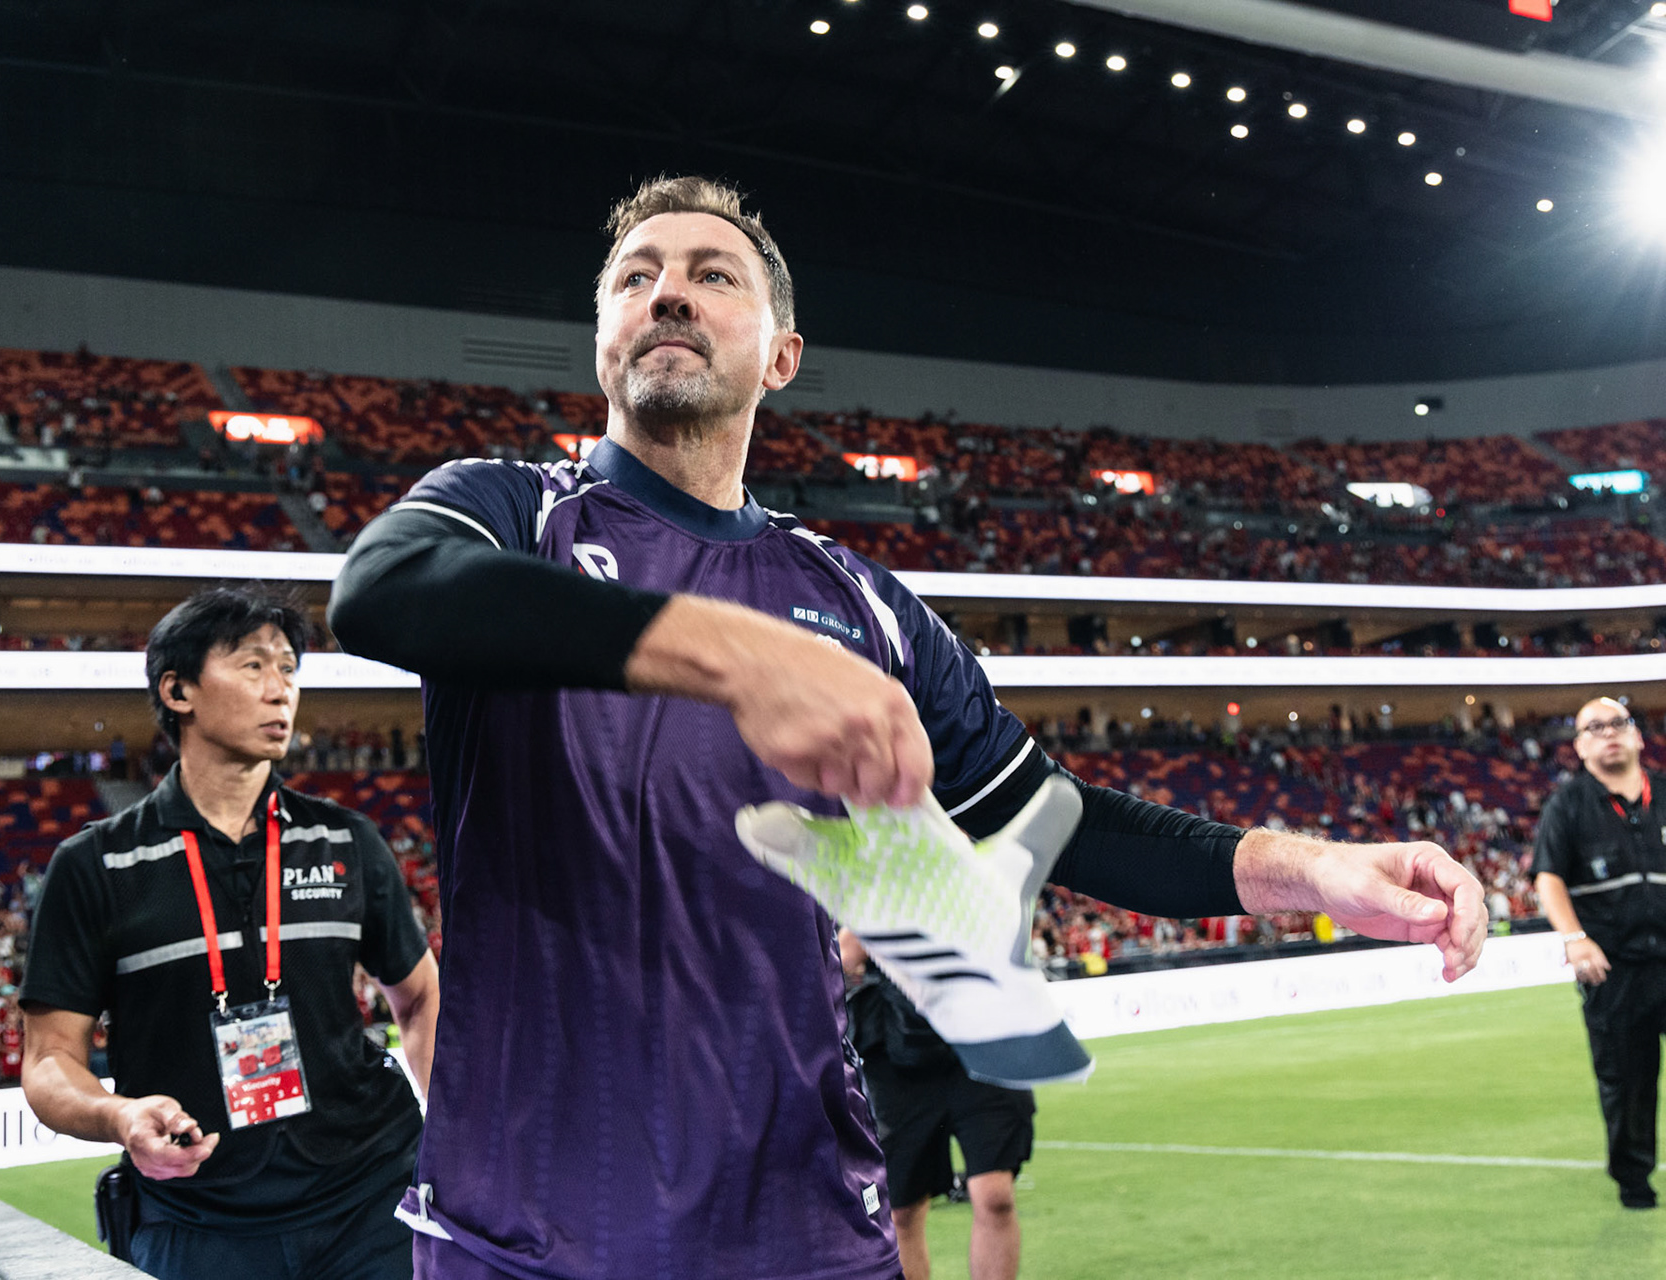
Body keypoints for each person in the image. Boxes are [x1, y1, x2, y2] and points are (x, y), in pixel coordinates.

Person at [328, 175, 1485, 1280]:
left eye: (713, 274)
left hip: (805, 1221)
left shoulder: (862, 602)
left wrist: (1317, 870)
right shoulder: (510, 509)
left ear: (780, 355)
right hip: (533, 1227)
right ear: (602, 341)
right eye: (636, 276)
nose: (668, 291)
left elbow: (1063, 819)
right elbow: (382, 588)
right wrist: (731, 651)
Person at [21, 586, 439, 1280]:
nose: (281, 691)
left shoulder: (344, 839)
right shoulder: (97, 865)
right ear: (178, 690)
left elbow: (420, 997)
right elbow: (47, 1060)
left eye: (288, 669)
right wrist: (120, 1116)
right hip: (198, 1219)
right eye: (253, 666)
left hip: (372, 1197)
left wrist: (456, 1138)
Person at [1534, 697, 1666, 1208]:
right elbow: (1548, 879)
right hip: (1615, 969)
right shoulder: (1567, 806)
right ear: (1580, 746)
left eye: (1618, 723)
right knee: (1627, 1081)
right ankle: (1634, 1180)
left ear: (1636, 735)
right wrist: (1574, 938)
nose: (1609, 733)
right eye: (1595, 727)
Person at [839, 929, 1030, 1280]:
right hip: (900, 1052)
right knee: (903, 1210)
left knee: (995, 1196)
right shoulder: (876, 883)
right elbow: (845, 953)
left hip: (984, 1041)